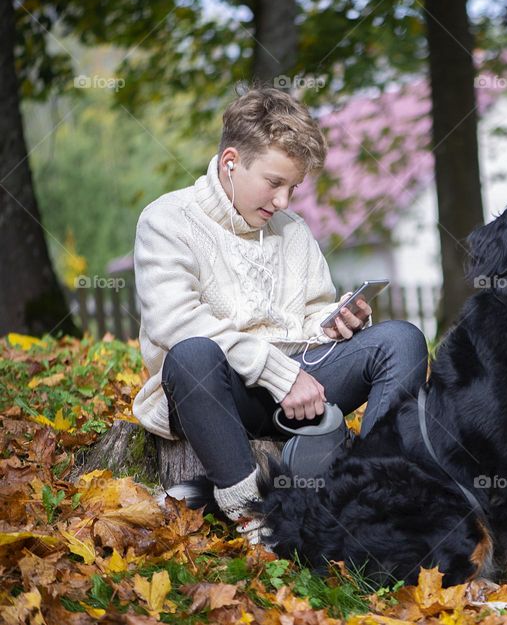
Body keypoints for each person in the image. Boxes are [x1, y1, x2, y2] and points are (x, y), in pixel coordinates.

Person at [132, 86, 428, 545]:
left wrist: (332, 322)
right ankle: (254, 515)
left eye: (293, 188)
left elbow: (308, 313)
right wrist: (279, 374)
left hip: (302, 382)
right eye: (274, 183)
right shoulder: (167, 220)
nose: (285, 201)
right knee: (191, 354)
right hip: (218, 390)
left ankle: (372, 494)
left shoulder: (293, 231)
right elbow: (174, 322)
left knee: (402, 339)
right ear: (231, 161)